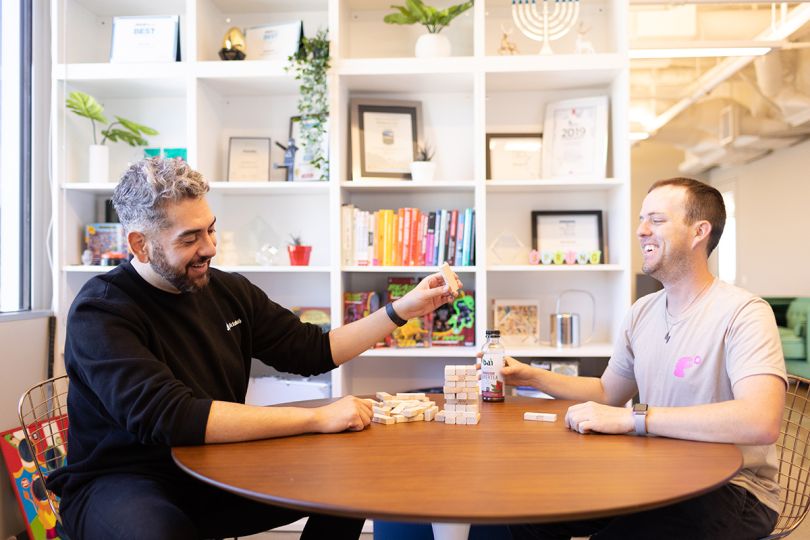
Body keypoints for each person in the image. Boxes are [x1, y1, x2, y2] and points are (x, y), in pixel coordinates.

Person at [47, 157, 461, 540]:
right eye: (190, 238)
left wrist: (405, 308)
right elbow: (172, 417)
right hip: (123, 479)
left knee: (350, 479)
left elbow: (313, 350)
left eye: (210, 229)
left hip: (216, 467)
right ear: (140, 245)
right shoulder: (100, 310)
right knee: (160, 532)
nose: (209, 247)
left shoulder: (228, 290)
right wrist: (316, 419)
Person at [504, 178, 786, 540]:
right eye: (641, 219)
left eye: (656, 219)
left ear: (700, 231)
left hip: (733, 488)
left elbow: (760, 421)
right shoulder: (641, 312)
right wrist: (531, 377)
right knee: (529, 510)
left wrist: (635, 419)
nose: (641, 231)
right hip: (653, 473)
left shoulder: (744, 312)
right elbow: (608, 392)